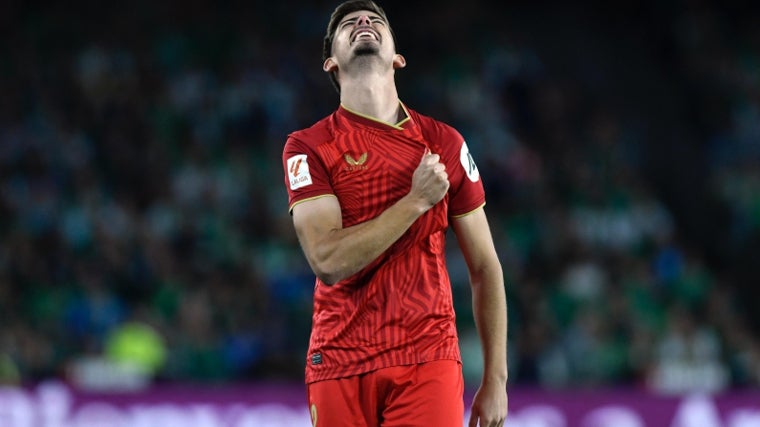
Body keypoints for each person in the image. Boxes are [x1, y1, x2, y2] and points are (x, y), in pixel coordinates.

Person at [281, 1, 508, 426]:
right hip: (339, 359)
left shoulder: (444, 142)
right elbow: (328, 261)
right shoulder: (309, 147)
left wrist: (495, 378)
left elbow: (485, 266)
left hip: (426, 355)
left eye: (375, 20)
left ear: (397, 57)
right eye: (350, 23)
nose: (363, 22)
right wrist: (415, 201)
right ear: (331, 61)